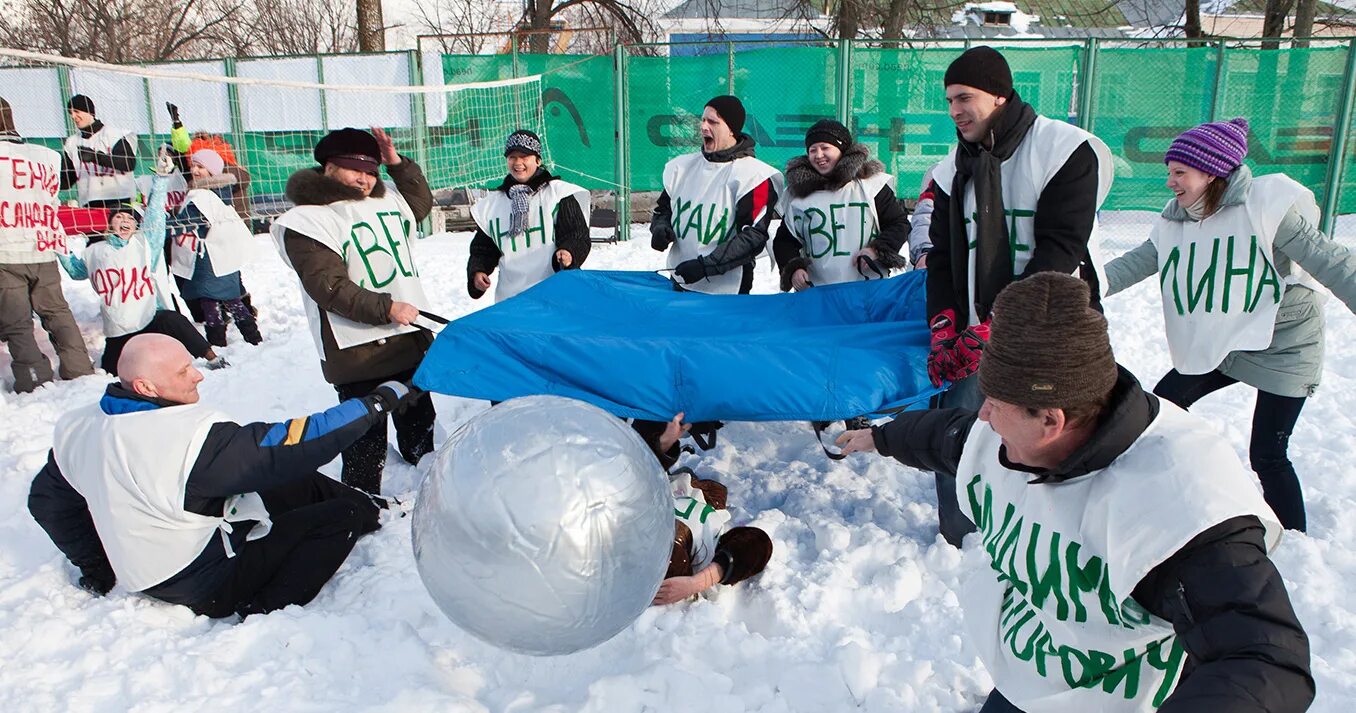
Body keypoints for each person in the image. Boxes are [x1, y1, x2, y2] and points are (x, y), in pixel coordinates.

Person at [837, 273, 1313, 713]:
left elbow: (1262, 658)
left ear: (1051, 420)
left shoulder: (1179, 499)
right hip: (1031, 670)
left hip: (1110, 697)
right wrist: (881, 438)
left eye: (995, 405)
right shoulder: (1009, 436)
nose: (984, 416)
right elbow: (951, 438)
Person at [27, 333, 421, 619]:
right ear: (146, 386)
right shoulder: (187, 441)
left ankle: (376, 511)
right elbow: (299, 441)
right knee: (338, 519)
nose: (198, 376)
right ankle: (264, 605)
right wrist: (377, 401)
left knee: (287, 480)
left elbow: (47, 502)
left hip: (160, 554)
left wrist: (96, 565)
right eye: (184, 371)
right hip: (201, 582)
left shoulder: (78, 426)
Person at [1102, 117, 1356, 533]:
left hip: (1286, 341)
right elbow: (1137, 263)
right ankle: (1156, 498)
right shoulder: (1178, 220)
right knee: (1162, 407)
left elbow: (1329, 260)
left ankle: (1295, 537)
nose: (1171, 183)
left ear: (1213, 172)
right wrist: (1077, 287)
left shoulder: (1267, 209)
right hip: (1225, 338)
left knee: (1268, 454)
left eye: (1179, 173)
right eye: (1170, 172)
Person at [924, 46, 1114, 547]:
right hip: (975, 334)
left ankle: (1063, 537)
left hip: (1054, 333)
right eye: (948, 101)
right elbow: (942, 256)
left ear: (1001, 96)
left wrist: (1002, 326)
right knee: (962, 431)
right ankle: (961, 536)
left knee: (1062, 436)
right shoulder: (952, 169)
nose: (954, 111)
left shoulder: (1063, 148)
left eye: (964, 98)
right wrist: (945, 325)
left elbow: (1061, 246)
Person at [271, 127, 437, 496]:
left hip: (407, 331)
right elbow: (328, 287)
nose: (364, 179)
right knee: (364, 431)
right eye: (353, 169)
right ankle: (360, 501)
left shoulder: (385, 200)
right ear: (329, 167)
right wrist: (386, 307)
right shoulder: (307, 220)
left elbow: (419, 205)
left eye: (371, 171)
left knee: (418, 413)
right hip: (358, 348)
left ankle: (421, 465)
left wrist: (396, 164)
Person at [56, 156, 223, 375]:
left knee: (175, 320)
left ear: (136, 226)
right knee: (111, 371)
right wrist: (58, 243)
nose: (125, 220)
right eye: (119, 217)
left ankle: (212, 358)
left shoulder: (144, 245)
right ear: (110, 225)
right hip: (118, 329)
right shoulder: (94, 252)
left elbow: (154, 217)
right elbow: (75, 272)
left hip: (149, 319)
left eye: (131, 218)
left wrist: (161, 180)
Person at [0, 96, 96, 393]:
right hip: (42, 244)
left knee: (17, 322)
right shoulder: (47, 156)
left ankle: (34, 379)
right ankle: (80, 368)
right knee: (57, 311)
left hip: (6, 249)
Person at [632, 414, 773, 605]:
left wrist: (697, 582)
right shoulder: (708, 513)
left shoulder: (699, 551)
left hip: (654, 519)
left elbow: (759, 543)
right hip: (656, 506)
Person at [650, 95, 782, 294]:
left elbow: (753, 235)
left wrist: (706, 266)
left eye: (712, 122)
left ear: (731, 130)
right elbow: (663, 210)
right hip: (680, 278)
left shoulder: (755, 176)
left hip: (727, 287)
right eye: (702, 120)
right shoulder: (682, 167)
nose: (703, 127)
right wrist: (660, 228)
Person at [773, 119, 911, 292]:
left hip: (869, 288)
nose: (819, 155)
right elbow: (785, 241)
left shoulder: (871, 186)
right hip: (817, 292)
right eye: (812, 150)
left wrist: (876, 250)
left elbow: (898, 224)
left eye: (825, 148)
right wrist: (794, 269)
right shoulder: (798, 196)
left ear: (842, 149)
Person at [466, 130, 591, 302]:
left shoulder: (558, 194)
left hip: (554, 294)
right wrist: (478, 271)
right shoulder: (492, 205)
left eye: (524, 156)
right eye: (512, 157)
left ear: (538, 160)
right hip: (510, 300)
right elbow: (483, 249)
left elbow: (577, 234)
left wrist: (569, 251)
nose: (518, 163)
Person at [166, 148, 261, 348]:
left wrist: (164, 223)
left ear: (212, 171)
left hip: (210, 258)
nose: (195, 170)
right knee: (230, 299)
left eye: (201, 167)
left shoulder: (204, 195)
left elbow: (187, 222)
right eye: (193, 166)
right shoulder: (217, 191)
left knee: (211, 302)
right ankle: (252, 337)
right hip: (221, 255)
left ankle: (218, 343)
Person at [60, 95, 138, 212]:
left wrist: (96, 157)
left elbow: (128, 163)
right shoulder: (71, 143)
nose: (73, 116)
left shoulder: (115, 135)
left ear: (89, 112)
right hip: (90, 204)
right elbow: (66, 181)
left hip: (120, 201)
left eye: (76, 111)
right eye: (70, 113)